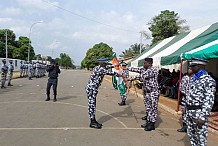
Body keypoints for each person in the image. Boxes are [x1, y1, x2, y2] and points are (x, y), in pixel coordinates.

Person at [185, 58, 216, 146]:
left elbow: (209, 100)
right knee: (192, 136)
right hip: (190, 112)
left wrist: (202, 117)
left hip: (199, 113)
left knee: (201, 138)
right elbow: (189, 94)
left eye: (193, 66)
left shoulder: (208, 80)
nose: (191, 68)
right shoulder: (193, 79)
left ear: (200, 66)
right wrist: (185, 107)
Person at [85, 58, 122, 129]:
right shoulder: (101, 69)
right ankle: (92, 122)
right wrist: (121, 75)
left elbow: (108, 67)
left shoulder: (97, 67)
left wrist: (117, 64)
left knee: (93, 104)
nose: (106, 64)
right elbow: (111, 73)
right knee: (92, 105)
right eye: (105, 63)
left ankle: (93, 120)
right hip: (92, 89)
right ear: (101, 63)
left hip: (92, 89)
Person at [127, 57, 159, 131]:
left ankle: (152, 124)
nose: (143, 64)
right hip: (147, 92)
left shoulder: (152, 70)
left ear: (149, 63)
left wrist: (129, 79)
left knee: (153, 108)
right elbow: (137, 70)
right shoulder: (145, 69)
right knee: (148, 108)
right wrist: (126, 67)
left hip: (153, 92)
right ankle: (148, 121)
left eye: (145, 63)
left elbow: (141, 76)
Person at [177, 67, 194, 133]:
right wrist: (185, 93)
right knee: (184, 112)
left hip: (193, 99)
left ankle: (191, 127)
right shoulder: (185, 78)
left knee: (191, 113)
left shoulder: (196, 78)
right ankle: (185, 126)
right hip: (185, 98)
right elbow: (181, 87)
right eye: (188, 68)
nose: (189, 70)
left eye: (190, 69)